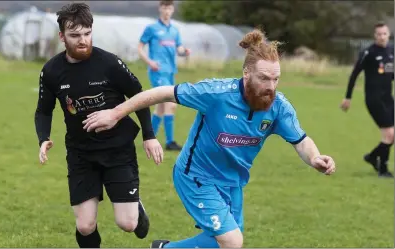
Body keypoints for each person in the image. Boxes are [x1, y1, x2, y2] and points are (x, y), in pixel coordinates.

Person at [83, 29, 337, 248]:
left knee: (223, 243)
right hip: (197, 177)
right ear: (247, 73)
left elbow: (301, 140)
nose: (271, 86)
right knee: (232, 241)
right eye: (264, 78)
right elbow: (163, 93)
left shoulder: (278, 106)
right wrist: (116, 113)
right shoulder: (216, 93)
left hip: (233, 183)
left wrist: (314, 157)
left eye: (275, 78)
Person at [34, 3, 164, 248]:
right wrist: (43, 138)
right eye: (75, 35)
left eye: (87, 33)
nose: (82, 40)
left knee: (127, 224)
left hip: (118, 150)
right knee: (85, 226)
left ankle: (135, 205)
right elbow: (43, 110)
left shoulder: (109, 64)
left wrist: (149, 135)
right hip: (80, 153)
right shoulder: (51, 71)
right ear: (62, 37)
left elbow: (140, 96)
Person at [340, 21, 394, 178]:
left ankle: (372, 157)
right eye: (379, 34)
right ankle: (382, 169)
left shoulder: (391, 52)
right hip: (374, 99)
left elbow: (389, 73)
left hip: (388, 98)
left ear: (388, 35)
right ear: (374, 36)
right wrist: (348, 97)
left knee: (391, 135)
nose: (382, 37)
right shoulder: (368, 53)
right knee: (389, 134)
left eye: (384, 34)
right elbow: (354, 74)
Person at [138, 0, 191, 151]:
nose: (167, 10)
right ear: (160, 9)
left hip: (170, 72)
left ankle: (149, 137)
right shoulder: (152, 28)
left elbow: (179, 48)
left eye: (169, 7)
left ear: (172, 10)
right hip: (157, 72)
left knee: (161, 108)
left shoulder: (174, 30)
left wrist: (184, 52)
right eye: (164, 7)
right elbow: (140, 47)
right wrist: (150, 62)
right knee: (171, 103)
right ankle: (170, 142)